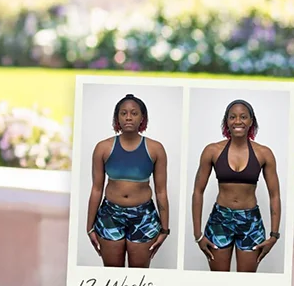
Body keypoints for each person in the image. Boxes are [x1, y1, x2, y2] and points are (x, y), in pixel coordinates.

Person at [192, 99, 282, 273]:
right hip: (220, 220)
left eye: (243, 117)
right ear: (226, 121)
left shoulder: (264, 153)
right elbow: (197, 191)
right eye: (232, 117)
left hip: (251, 223)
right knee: (219, 282)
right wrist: (198, 235)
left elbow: (275, 195)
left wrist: (274, 235)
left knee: (245, 284)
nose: (238, 121)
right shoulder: (212, 151)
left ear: (251, 121)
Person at [86, 93, 170, 268]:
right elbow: (96, 189)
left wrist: (165, 229)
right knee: (112, 274)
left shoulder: (155, 149)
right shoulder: (103, 148)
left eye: (134, 113)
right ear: (117, 118)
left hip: (144, 217)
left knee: (137, 277)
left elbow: (161, 191)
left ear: (142, 118)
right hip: (110, 216)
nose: (129, 117)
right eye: (123, 113)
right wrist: (89, 227)